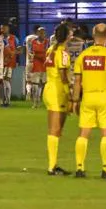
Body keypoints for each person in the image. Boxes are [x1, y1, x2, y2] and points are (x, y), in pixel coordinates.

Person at [71, 23, 106, 179]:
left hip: (88, 97)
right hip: (105, 97)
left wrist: (75, 100)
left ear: (93, 35)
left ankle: (80, 168)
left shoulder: (83, 56)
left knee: (84, 133)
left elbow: (77, 81)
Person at [42, 23, 72, 175]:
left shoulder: (50, 50)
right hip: (57, 91)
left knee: (55, 129)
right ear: (67, 35)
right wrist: (69, 94)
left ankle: (53, 164)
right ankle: (52, 166)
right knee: (56, 129)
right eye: (71, 32)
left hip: (49, 88)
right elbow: (63, 75)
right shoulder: (63, 52)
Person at [25, 26, 48, 108]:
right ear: (37, 33)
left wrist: (37, 55)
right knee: (35, 84)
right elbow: (31, 53)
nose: (42, 34)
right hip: (35, 65)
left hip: (44, 65)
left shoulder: (47, 42)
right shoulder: (33, 42)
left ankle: (39, 100)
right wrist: (36, 56)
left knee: (42, 84)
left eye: (43, 33)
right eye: (40, 32)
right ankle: (35, 101)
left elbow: (47, 53)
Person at [0, 24, 17, 107]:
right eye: (2, 28)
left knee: (6, 80)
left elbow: (20, 49)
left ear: (8, 29)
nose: (3, 30)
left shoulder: (14, 38)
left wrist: (12, 54)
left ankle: (7, 101)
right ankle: (3, 100)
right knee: (1, 82)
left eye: (5, 28)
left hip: (10, 63)